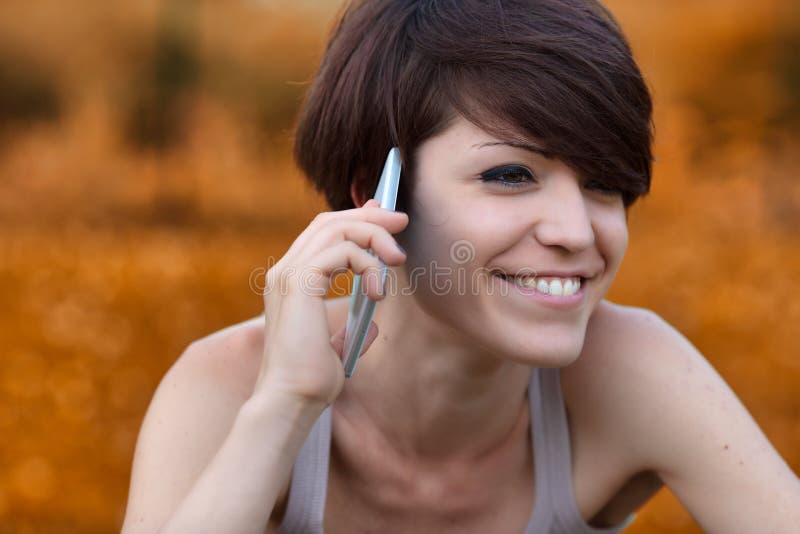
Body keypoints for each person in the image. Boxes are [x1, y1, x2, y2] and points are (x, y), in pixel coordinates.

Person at [121, 1, 800, 532]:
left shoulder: (633, 371)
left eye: (603, 182)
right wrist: (286, 406)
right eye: (510, 175)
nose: (575, 232)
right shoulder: (223, 390)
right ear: (375, 195)